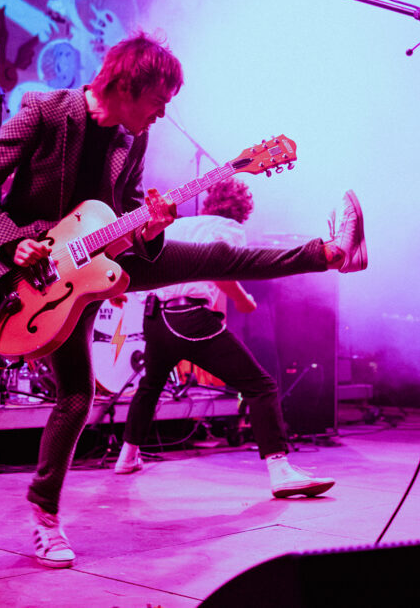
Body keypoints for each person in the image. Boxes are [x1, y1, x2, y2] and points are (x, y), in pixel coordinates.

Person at [0, 32, 366, 569]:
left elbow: (125, 217)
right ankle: (46, 518)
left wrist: (152, 225)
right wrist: (14, 242)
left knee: (215, 255)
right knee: (76, 397)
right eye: (160, 97)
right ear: (128, 85)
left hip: (102, 261)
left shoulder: (132, 141)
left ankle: (331, 252)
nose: (164, 111)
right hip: (25, 279)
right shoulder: (45, 112)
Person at [114, 178, 336, 501]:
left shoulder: (184, 223)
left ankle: (127, 457)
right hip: (187, 317)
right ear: (243, 210)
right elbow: (221, 269)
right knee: (260, 385)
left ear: (209, 201)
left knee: (150, 386)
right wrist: (243, 299)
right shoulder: (230, 229)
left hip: (154, 317)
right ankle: (280, 471)